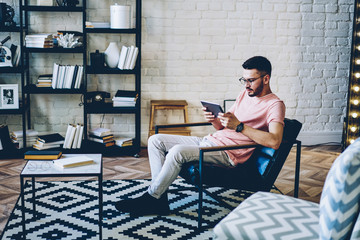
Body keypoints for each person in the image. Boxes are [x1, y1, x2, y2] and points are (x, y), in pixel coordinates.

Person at [115, 56, 286, 216]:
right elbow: (224, 127)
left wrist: (240, 126)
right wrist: (215, 120)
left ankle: (152, 198)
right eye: (244, 80)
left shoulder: (274, 105)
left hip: (229, 153)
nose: (246, 85)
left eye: (251, 80)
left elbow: (275, 141)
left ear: (266, 78)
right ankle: (160, 198)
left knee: (177, 152)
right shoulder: (244, 94)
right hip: (211, 141)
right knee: (155, 140)